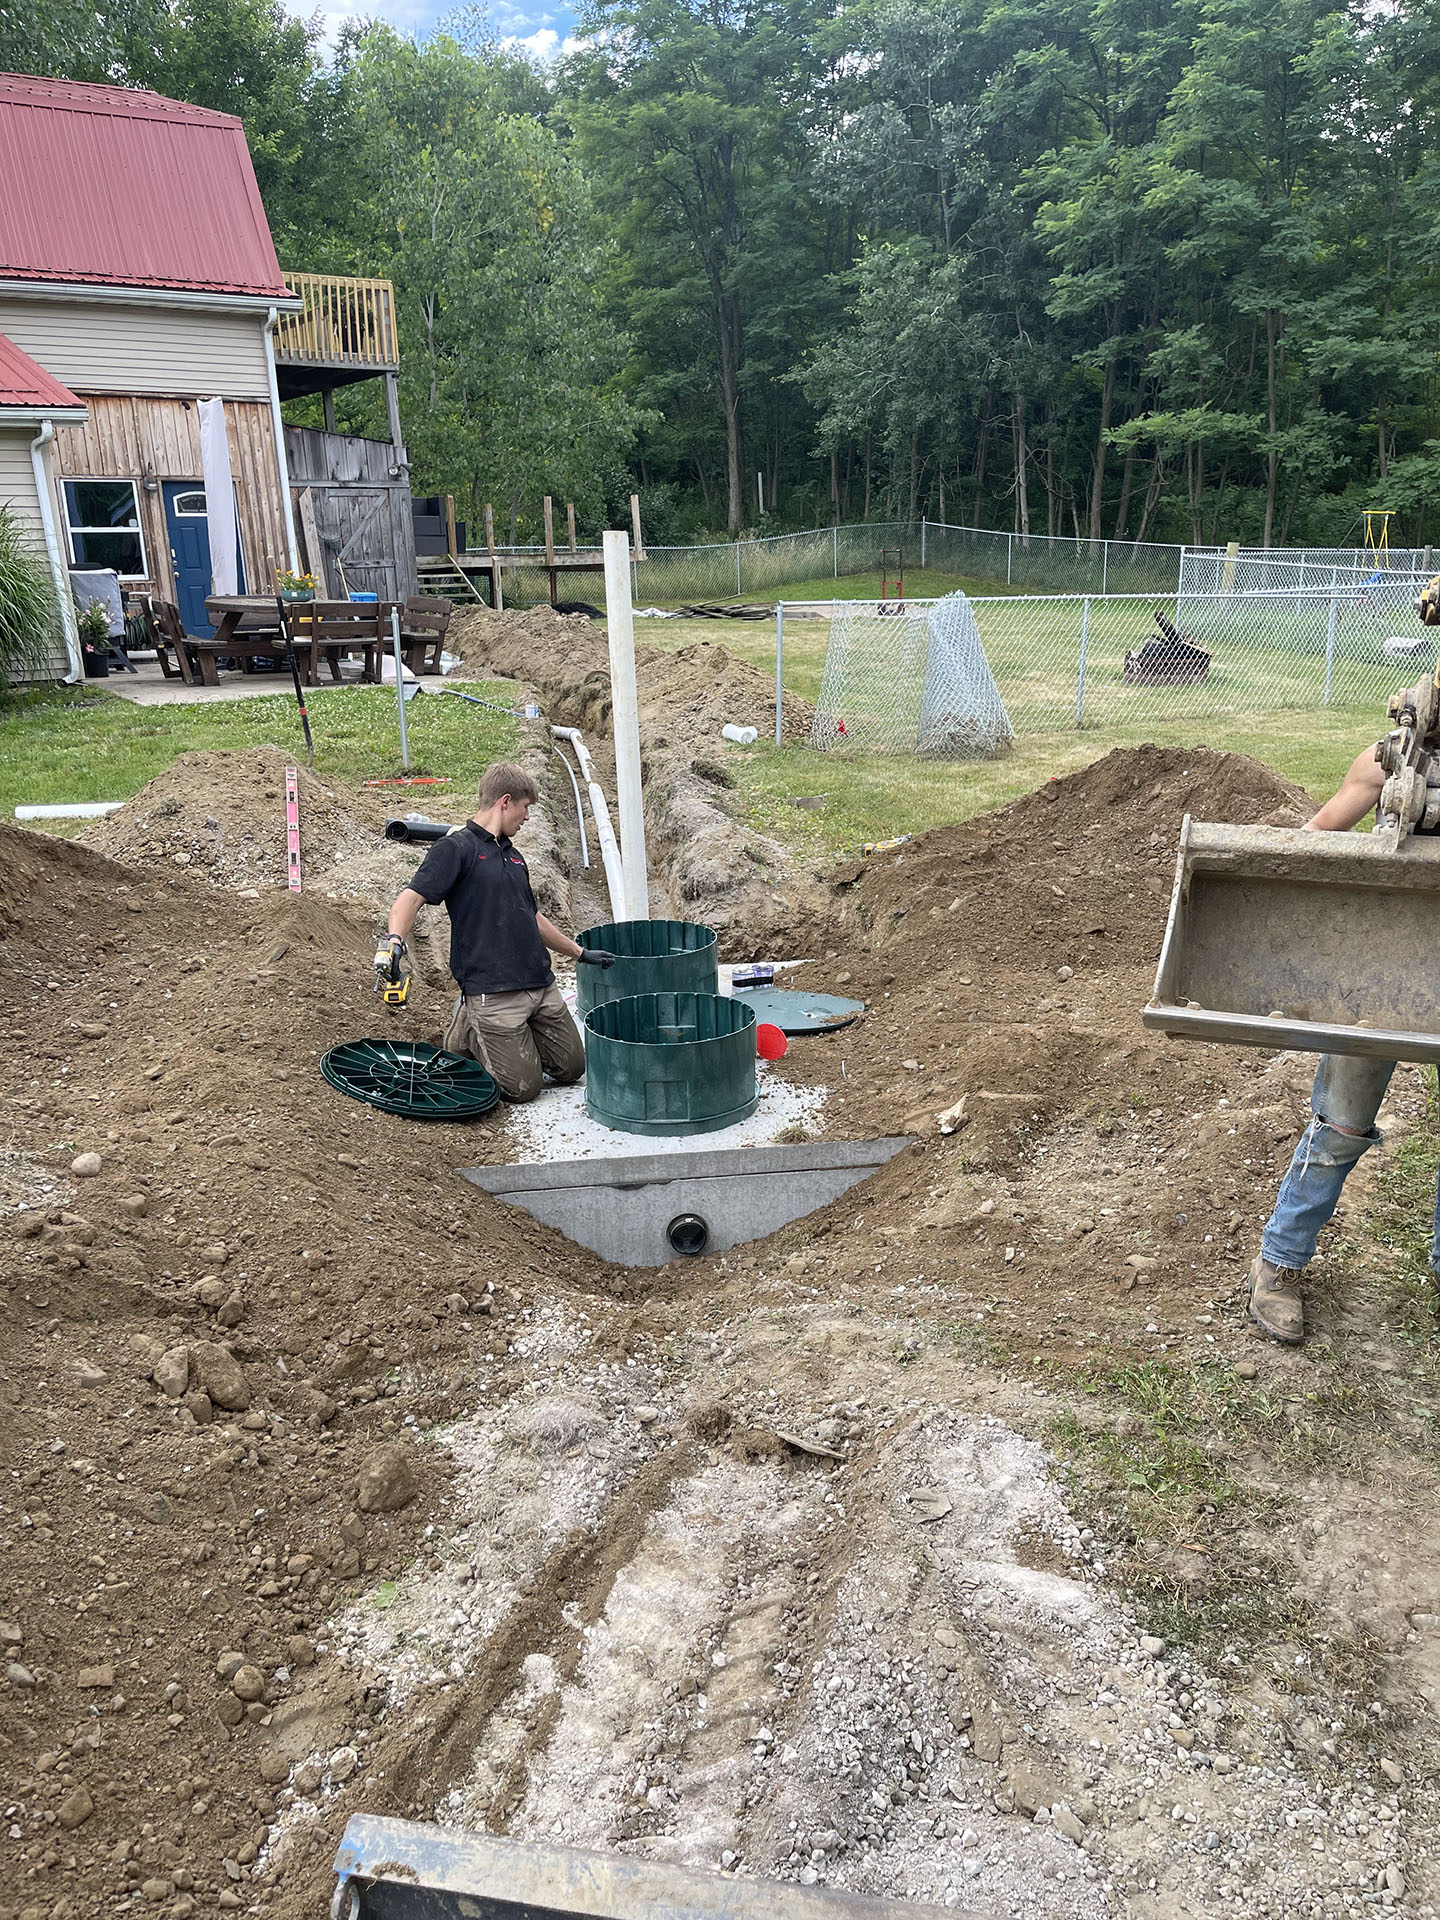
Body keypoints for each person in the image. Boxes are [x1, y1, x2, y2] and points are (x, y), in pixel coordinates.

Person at [1248, 739, 1428, 1343]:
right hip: (1383, 973)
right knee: (1341, 1127)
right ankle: (1278, 1266)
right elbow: (1318, 834)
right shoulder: (1395, 763)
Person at [382, 761, 614, 1102]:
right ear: (505, 801)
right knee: (523, 1089)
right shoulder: (455, 849)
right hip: (493, 992)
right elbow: (410, 898)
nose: (527, 817)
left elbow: (532, 917)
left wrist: (579, 953)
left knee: (572, 1068)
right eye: (525, 807)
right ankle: (469, 1031)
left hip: (540, 986)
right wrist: (394, 941)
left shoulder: (514, 856)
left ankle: (510, 1039)